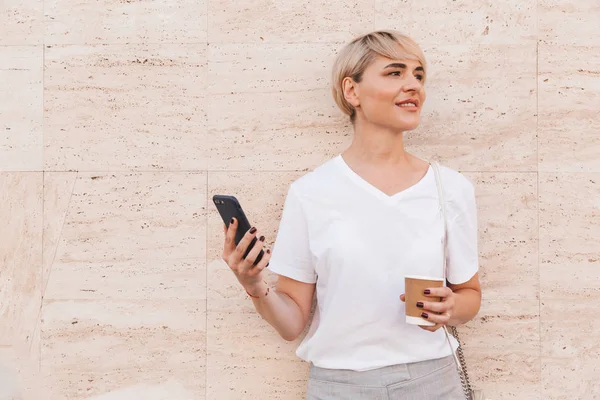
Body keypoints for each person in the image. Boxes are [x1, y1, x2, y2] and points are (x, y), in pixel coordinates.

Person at [221, 30, 482, 399]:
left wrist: (452, 307)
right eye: (395, 73)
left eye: (419, 75)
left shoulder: (450, 188)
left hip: (432, 383)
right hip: (340, 387)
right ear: (352, 91)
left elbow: (469, 294)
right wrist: (253, 285)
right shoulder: (311, 192)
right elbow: (292, 321)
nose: (414, 86)